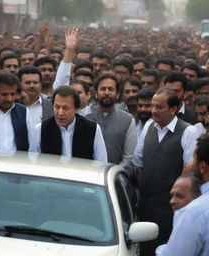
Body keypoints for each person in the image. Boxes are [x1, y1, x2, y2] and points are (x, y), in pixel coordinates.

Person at [134, 87, 198, 256]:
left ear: (173, 109)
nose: (153, 111)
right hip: (145, 205)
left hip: (170, 208)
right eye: (152, 106)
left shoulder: (188, 132)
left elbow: (189, 171)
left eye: (159, 107)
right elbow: (138, 161)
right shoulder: (148, 126)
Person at [156, 133, 209, 256]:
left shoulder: (194, 213)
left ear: (202, 167)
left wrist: (162, 249)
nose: (190, 165)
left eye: (194, 159)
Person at [30, 86, 107, 162]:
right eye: (57, 107)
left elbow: (101, 163)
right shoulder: (41, 129)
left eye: (65, 108)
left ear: (76, 109)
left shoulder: (92, 129)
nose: (60, 113)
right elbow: (33, 162)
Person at [86, 73, 137, 168]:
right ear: (96, 93)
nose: (106, 92)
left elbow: (129, 158)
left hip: (114, 176)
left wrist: (113, 173)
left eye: (110, 89)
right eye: (103, 89)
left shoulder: (128, 120)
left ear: (117, 94)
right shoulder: (86, 117)